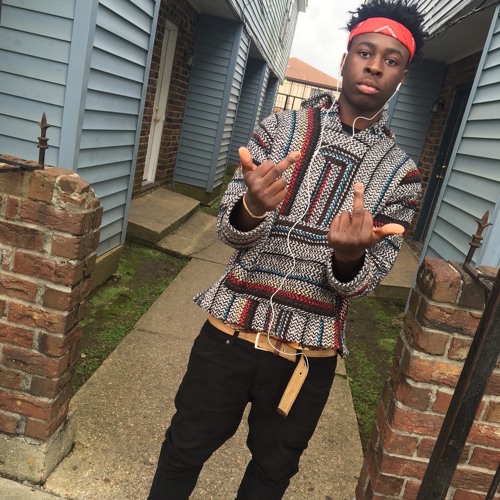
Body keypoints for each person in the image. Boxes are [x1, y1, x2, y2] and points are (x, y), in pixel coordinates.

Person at [149, 1, 426, 498]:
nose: (374, 66)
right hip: (229, 333)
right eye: (365, 52)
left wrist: (348, 257)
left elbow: (364, 282)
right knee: (183, 448)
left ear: (402, 76)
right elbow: (229, 231)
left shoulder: (403, 176)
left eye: (391, 60)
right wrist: (252, 205)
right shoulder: (278, 130)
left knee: (272, 474)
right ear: (345, 58)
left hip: (307, 357)